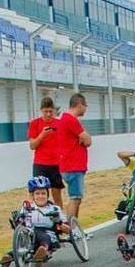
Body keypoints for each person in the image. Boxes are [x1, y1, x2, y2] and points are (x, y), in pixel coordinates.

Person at [0, 175, 70, 267]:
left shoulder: (54, 209)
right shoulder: (27, 207)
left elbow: (67, 228)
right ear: (33, 195)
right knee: (25, 246)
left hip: (48, 232)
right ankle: (8, 257)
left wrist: (60, 224)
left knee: (45, 238)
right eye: (37, 193)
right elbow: (20, 220)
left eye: (43, 193)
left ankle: (42, 251)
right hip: (30, 232)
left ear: (47, 195)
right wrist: (17, 222)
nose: (40, 196)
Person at [54, 93, 91, 222]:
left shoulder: (64, 119)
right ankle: (71, 227)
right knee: (75, 198)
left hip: (70, 165)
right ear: (79, 104)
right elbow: (87, 140)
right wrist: (84, 140)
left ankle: (75, 227)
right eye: (85, 106)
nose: (86, 109)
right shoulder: (70, 119)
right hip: (73, 165)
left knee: (77, 198)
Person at [26, 97, 64, 207]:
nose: (48, 114)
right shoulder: (35, 123)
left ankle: (60, 218)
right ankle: (34, 216)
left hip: (56, 164)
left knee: (57, 194)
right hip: (40, 164)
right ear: (41, 110)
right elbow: (32, 146)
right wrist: (42, 135)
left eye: (50, 111)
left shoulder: (59, 123)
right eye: (45, 111)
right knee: (38, 194)